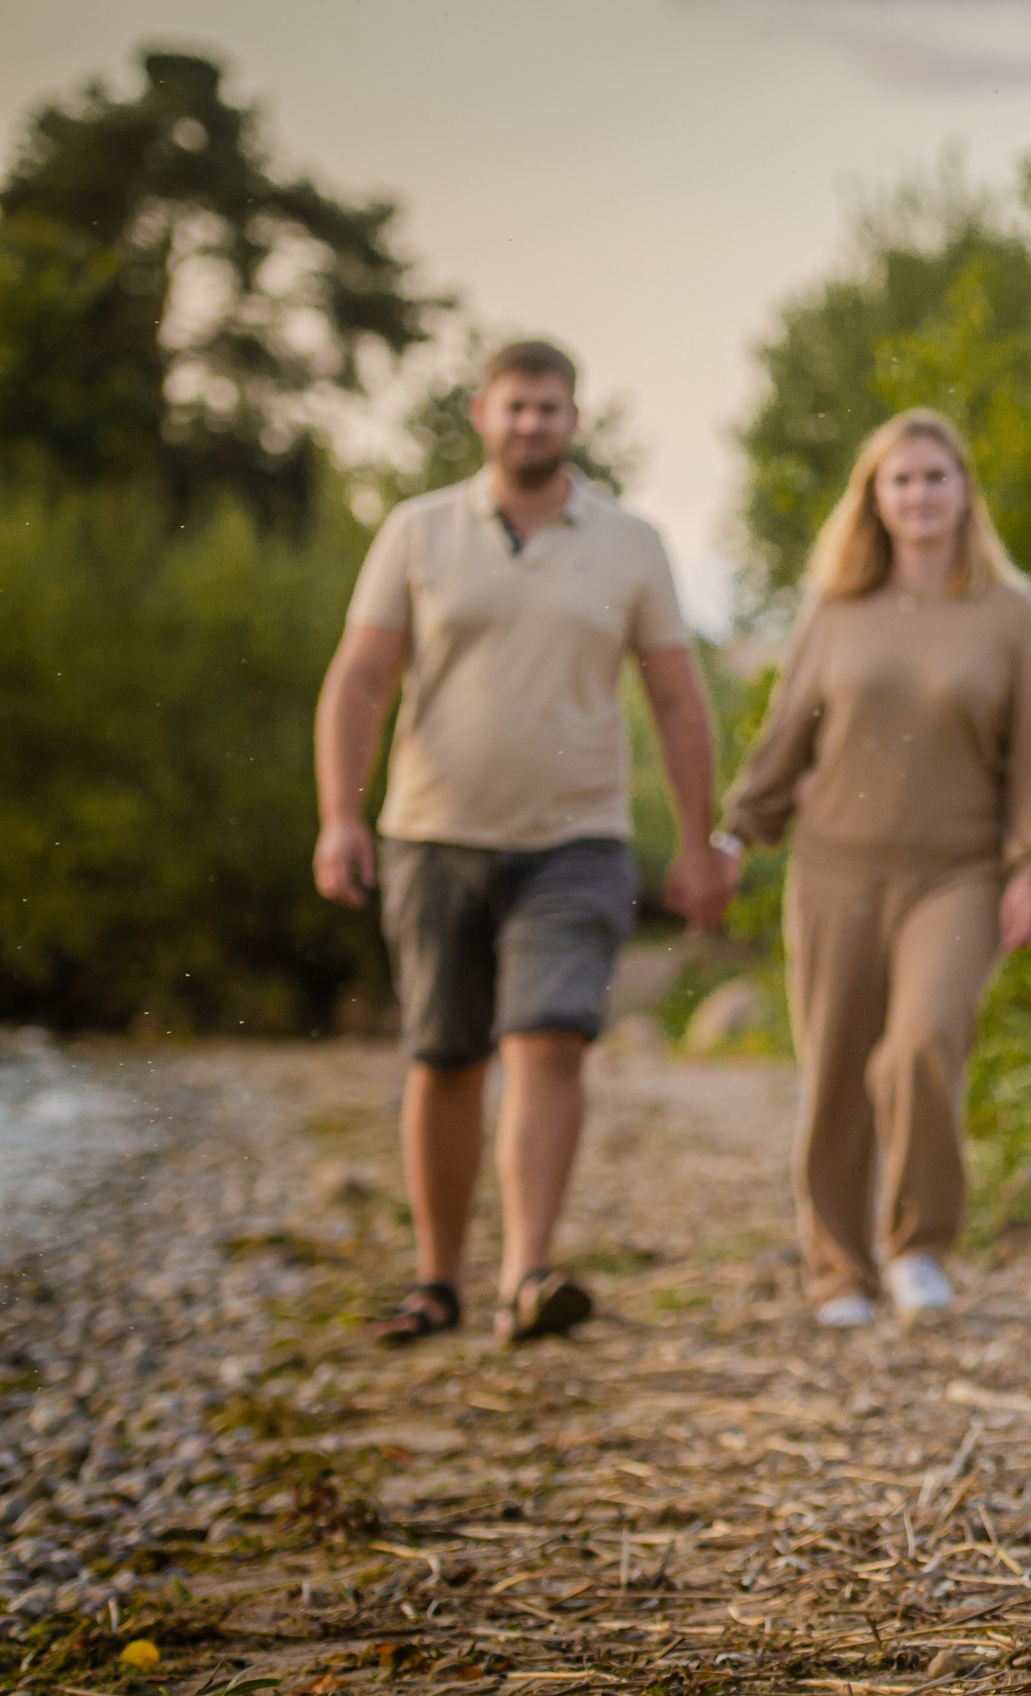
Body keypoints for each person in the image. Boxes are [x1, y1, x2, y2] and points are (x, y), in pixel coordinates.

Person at [313, 339, 736, 1348]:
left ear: (574, 420)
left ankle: (527, 1272)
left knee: (548, 1038)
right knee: (444, 1056)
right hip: (430, 833)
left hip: (577, 838)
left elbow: (677, 700)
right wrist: (339, 813)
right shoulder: (416, 532)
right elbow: (361, 680)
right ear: (481, 413)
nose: (531, 424)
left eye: (549, 408)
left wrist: (697, 843)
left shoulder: (631, 543)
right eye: (515, 408)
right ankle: (436, 1279)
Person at [721, 410, 1031, 1328]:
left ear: (964, 493)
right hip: (835, 872)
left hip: (957, 874)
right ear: (875, 499)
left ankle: (917, 1245)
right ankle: (839, 1268)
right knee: (836, 1066)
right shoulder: (836, 610)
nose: (919, 495)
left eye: (935, 477)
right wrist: (736, 833)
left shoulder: (1012, 613)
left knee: (922, 1042)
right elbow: (787, 733)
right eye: (900, 480)